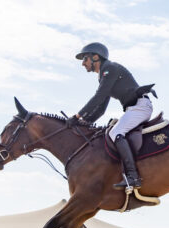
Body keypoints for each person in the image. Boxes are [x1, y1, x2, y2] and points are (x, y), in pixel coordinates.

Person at [67, 42, 156, 190]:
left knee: (116, 132)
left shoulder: (109, 68)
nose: (83, 64)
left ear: (95, 57)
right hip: (134, 109)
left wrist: (76, 117)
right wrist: (85, 122)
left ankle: (133, 176)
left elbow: (99, 97)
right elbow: (101, 108)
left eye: (85, 59)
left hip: (140, 107)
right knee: (113, 131)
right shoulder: (104, 75)